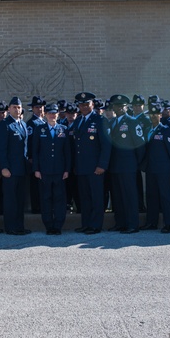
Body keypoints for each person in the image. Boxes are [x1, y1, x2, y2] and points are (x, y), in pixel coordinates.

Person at [72, 92, 111, 235]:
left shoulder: (100, 120)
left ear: (92, 105)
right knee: (85, 198)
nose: (83, 107)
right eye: (81, 104)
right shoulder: (78, 121)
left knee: (96, 197)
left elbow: (106, 145)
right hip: (81, 167)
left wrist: (102, 165)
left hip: (95, 168)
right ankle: (86, 224)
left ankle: (95, 225)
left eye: (86, 104)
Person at [106, 94, 145, 233]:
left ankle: (132, 224)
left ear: (126, 107)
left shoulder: (132, 122)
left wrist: (136, 163)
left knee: (130, 196)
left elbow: (140, 146)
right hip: (115, 167)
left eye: (121, 106)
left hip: (128, 166)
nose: (118, 108)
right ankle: (120, 222)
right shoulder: (112, 123)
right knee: (117, 196)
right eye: (115, 106)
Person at [31, 102, 71, 234]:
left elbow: (67, 152)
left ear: (58, 114)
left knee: (60, 199)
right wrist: (36, 169)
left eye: (54, 113)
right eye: (49, 113)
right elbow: (35, 151)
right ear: (45, 114)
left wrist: (67, 169)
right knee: (46, 198)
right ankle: (48, 225)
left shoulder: (63, 129)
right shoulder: (39, 129)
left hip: (59, 171)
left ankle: (58, 225)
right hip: (44, 171)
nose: (52, 116)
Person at [0, 96, 31, 235]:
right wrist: (3, 167)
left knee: (20, 199)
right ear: (9, 109)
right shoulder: (5, 125)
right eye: (14, 107)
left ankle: (19, 226)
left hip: (21, 169)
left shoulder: (23, 124)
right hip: (10, 170)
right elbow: (0, 149)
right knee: (10, 200)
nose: (17, 110)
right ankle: (11, 227)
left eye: (19, 107)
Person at [140, 103, 170, 233]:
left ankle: (169, 223)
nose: (153, 116)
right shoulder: (148, 129)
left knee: (165, 195)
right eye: (151, 114)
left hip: (163, 169)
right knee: (151, 196)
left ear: (160, 115)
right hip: (151, 169)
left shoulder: (166, 130)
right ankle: (151, 222)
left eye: (155, 114)